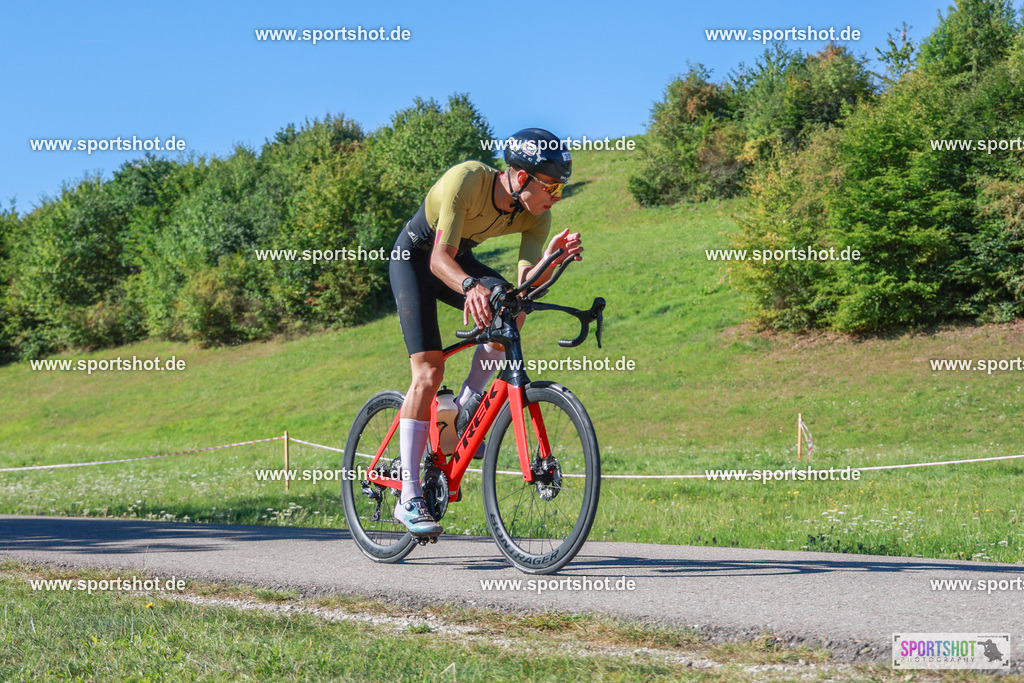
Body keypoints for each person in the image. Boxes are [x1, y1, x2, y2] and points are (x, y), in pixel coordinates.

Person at [387, 128, 583, 537]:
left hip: (457, 261)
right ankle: (408, 496)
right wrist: (470, 286)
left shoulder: (537, 215)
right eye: (551, 186)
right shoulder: (469, 180)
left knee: (512, 308)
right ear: (520, 175)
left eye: (561, 189)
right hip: (417, 258)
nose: (555, 197)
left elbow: (526, 284)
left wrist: (552, 259)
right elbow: (439, 258)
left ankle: (465, 403)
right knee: (427, 373)